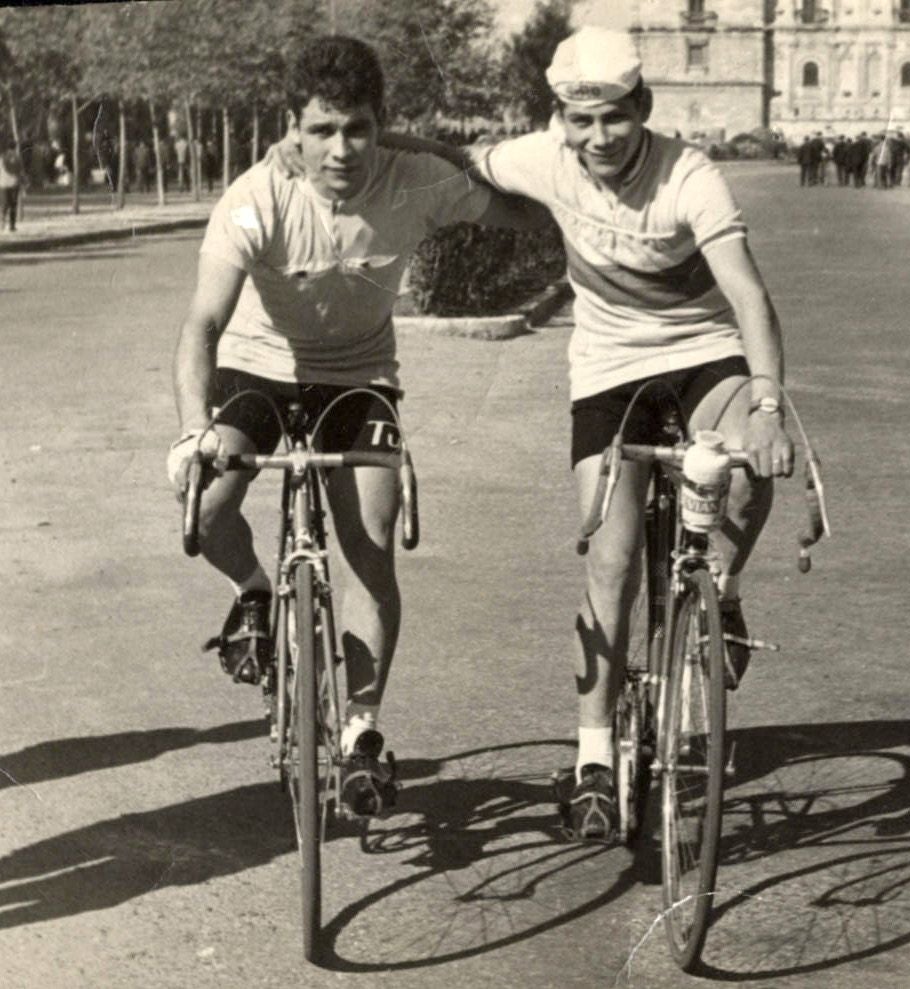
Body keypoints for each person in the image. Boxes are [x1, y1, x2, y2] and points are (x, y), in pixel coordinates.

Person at [405, 27, 794, 841]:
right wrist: (368, 139)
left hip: (701, 353)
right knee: (611, 560)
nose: (597, 138)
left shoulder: (690, 175)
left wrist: (766, 408)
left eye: (614, 119)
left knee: (748, 481)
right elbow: (454, 158)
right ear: (561, 119)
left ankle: (717, 588)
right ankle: (591, 756)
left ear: (643, 109)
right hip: (608, 368)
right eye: (580, 121)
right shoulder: (545, 156)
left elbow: (750, 298)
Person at [166, 35, 542, 814]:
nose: (342, 149)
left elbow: (525, 215)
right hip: (261, 370)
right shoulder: (255, 196)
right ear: (293, 131)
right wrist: (191, 431)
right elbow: (201, 325)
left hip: (360, 377)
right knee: (205, 505)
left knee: (372, 535)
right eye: (322, 130)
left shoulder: (416, 182)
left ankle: (363, 732)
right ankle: (257, 590)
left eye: (360, 129)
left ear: (383, 127)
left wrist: (430, 144)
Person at [0, 146, 23, 232]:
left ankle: (3, 223)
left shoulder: (2, 158)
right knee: (13, 204)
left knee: (5, 204)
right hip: (13, 184)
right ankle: (11, 225)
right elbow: (21, 171)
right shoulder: (17, 157)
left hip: (4, 184)